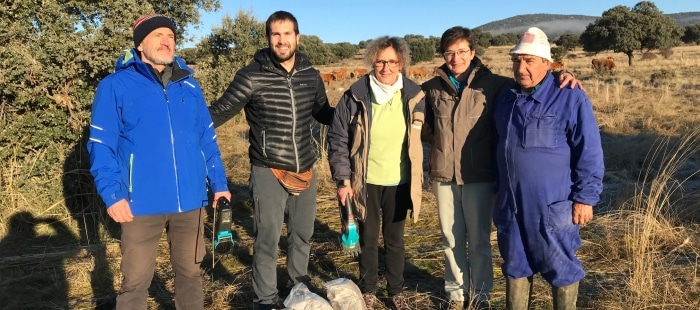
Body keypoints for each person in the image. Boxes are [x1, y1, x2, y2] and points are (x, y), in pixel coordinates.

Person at [421, 26, 581, 310]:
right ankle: (457, 295)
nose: (455, 58)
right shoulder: (431, 88)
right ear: (442, 56)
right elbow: (415, 115)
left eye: (461, 52)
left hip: (480, 175)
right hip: (445, 174)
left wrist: (559, 75)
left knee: (481, 240)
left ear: (473, 53)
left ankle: (481, 295)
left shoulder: (495, 85)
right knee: (450, 239)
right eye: (449, 53)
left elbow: (532, 80)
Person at [86, 14, 231, 310]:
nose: (167, 41)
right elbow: (101, 146)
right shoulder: (115, 86)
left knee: (191, 273)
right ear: (140, 43)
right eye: (158, 35)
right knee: (135, 283)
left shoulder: (189, 87)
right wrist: (113, 195)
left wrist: (219, 185)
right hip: (140, 204)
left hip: (190, 201)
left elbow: (207, 140)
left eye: (171, 36)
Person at [207, 10, 335, 310]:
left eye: (287, 34)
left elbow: (321, 112)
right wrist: (182, 126)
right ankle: (265, 300)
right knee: (267, 238)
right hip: (268, 168)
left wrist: (350, 113)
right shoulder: (251, 75)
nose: (281, 40)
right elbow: (219, 112)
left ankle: (298, 290)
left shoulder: (311, 75)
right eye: (275, 34)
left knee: (302, 234)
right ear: (268, 39)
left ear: (297, 38)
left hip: (305, 166)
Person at [492, 27, 604, 310]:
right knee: (515, 264)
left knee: (561, 265)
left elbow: (588, 150)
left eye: (530, 61)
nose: (521, 68)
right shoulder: (505, 99)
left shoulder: (569, 96)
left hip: (554, 205)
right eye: (517, 61)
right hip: (511, 204)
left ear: (547, 64)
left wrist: (585, 198)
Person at [327, 36, 425, 310]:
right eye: (380, 61)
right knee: (368, 238)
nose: (385, 67)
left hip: (399, 181)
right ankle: (368, 290)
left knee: (394, 240)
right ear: (372, 61)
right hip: (365, 181)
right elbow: (337, 139)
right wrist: (343, 179)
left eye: (392, 61)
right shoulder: (355, 95)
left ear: (401, 63)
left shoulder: (414, 95)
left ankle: (396, 292)